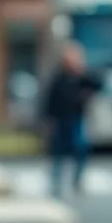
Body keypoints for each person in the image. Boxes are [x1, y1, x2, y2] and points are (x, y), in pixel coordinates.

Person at [41, 40, 103, 198]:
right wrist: (48, 120)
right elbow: (50, 99)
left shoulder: (82, 76)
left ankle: (78, 179)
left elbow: (99, 84)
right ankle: (56, 182)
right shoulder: (59, 77)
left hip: (77, 117)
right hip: (60, 118)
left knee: (81, 147)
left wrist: (82, 72)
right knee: (58, 152)